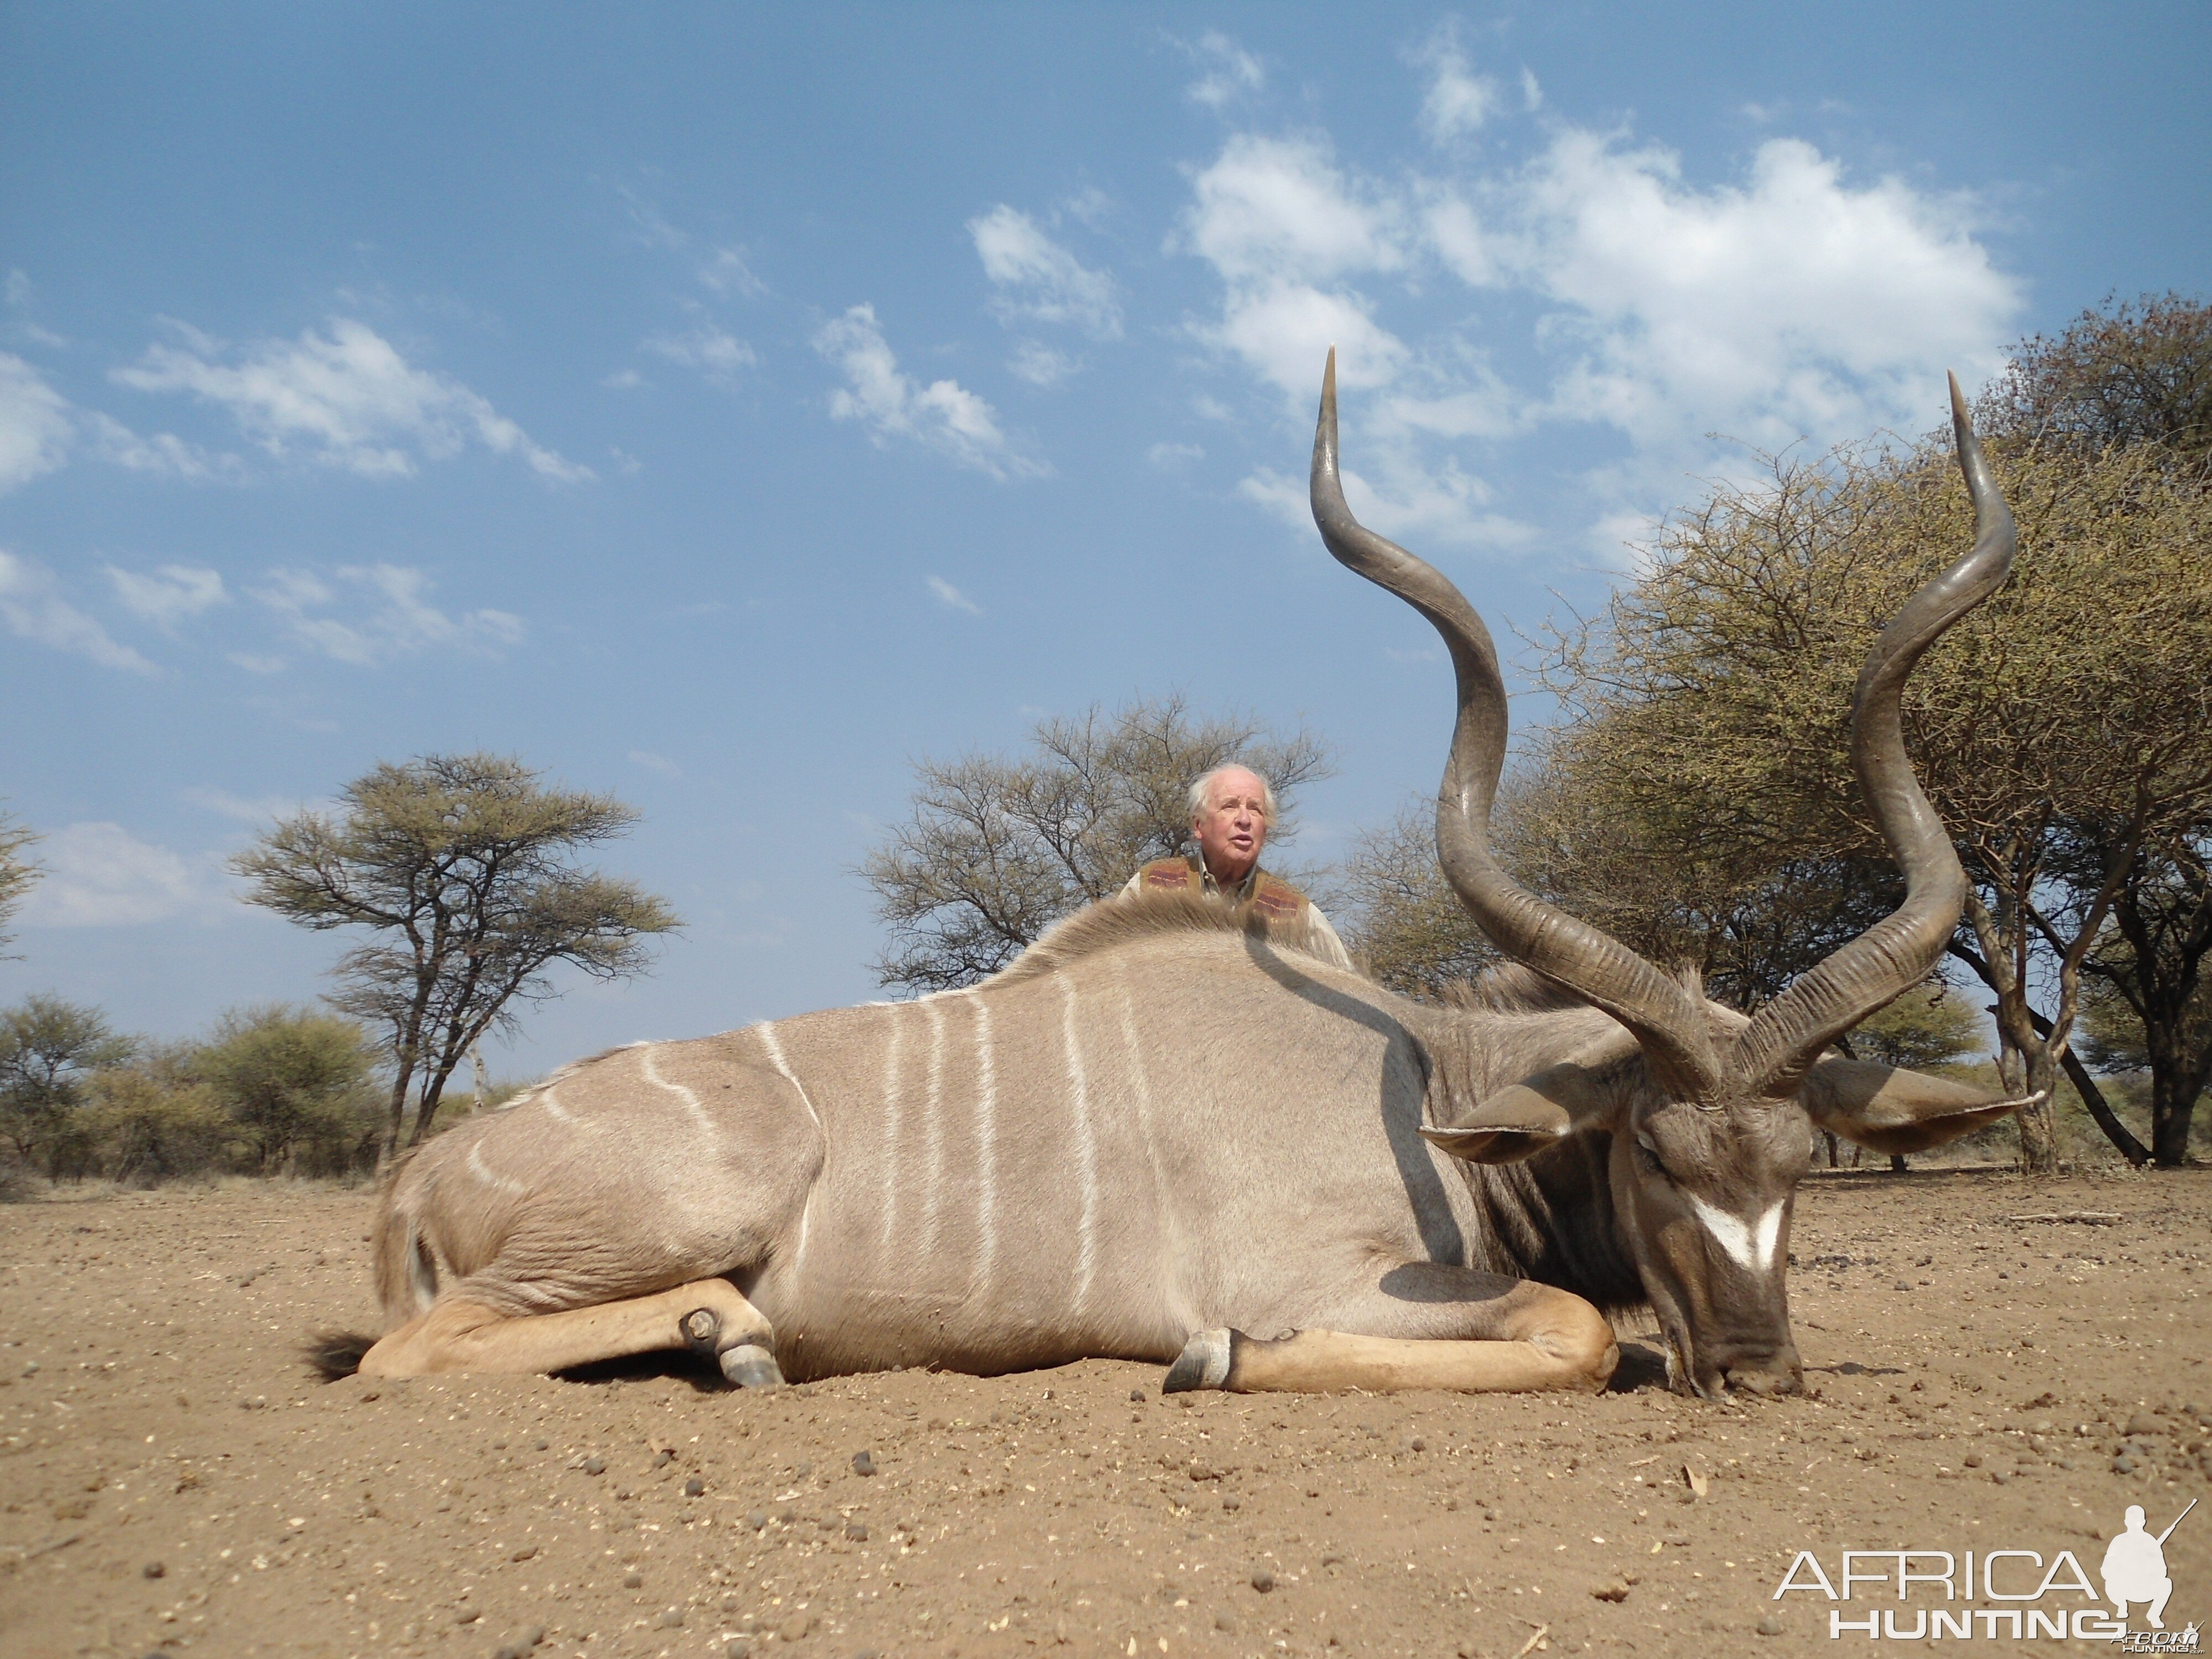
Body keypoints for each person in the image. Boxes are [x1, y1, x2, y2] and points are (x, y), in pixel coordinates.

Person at [1122, 764, 1353, 969]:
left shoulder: (1297, 913)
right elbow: (1104, 967)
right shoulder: (1150, 885)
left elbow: (1345, 988)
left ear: (1266, 830)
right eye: (1229, 806)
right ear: (1198, 826)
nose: (1245, 819)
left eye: (1256, 809)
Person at [2101, 1504, 2175, 1628]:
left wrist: (2146, 1566)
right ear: (2126, 1522)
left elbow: (2162, 1571)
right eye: (2132, 1521)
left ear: (2143, 1522)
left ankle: (2154, 1615)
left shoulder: (2151, 1543)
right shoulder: (2119, 1541)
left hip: (2144, 1589)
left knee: (2166, 1583)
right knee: (2110, 1582)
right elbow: (2106, 1570)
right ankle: (2122, 1606)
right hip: (2122, 1589)